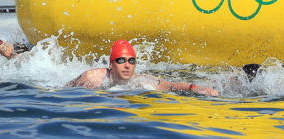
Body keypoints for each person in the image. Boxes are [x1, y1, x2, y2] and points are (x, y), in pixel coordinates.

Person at [66, 39, 220, 96]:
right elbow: (67, 93)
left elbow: (169, 86)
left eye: (132, 61)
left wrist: (194, 87)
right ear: (111, 64)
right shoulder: (92, 78)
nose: (127, 65)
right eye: (121, 60)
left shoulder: (138, 80)